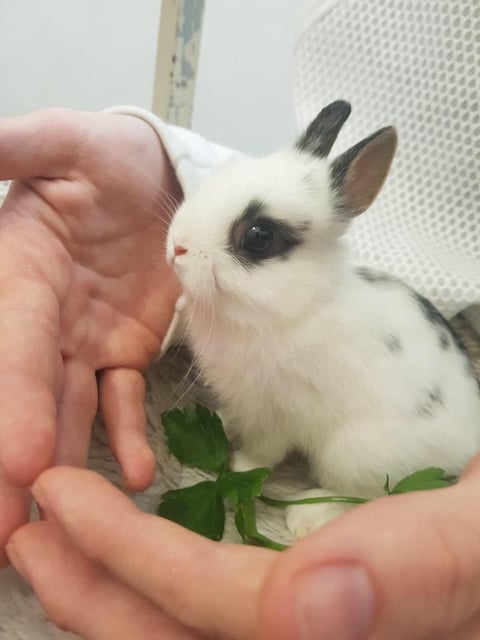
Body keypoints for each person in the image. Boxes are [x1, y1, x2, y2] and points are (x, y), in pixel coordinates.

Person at [0, 105, 479, 640]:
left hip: (416, 435)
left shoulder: (302, 338)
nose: (179, 245)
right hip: (439, 379)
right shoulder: (269, 310)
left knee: (354, 456)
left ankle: (352, 497)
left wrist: (256, 453)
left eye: (254, 241)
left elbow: (283, 412)